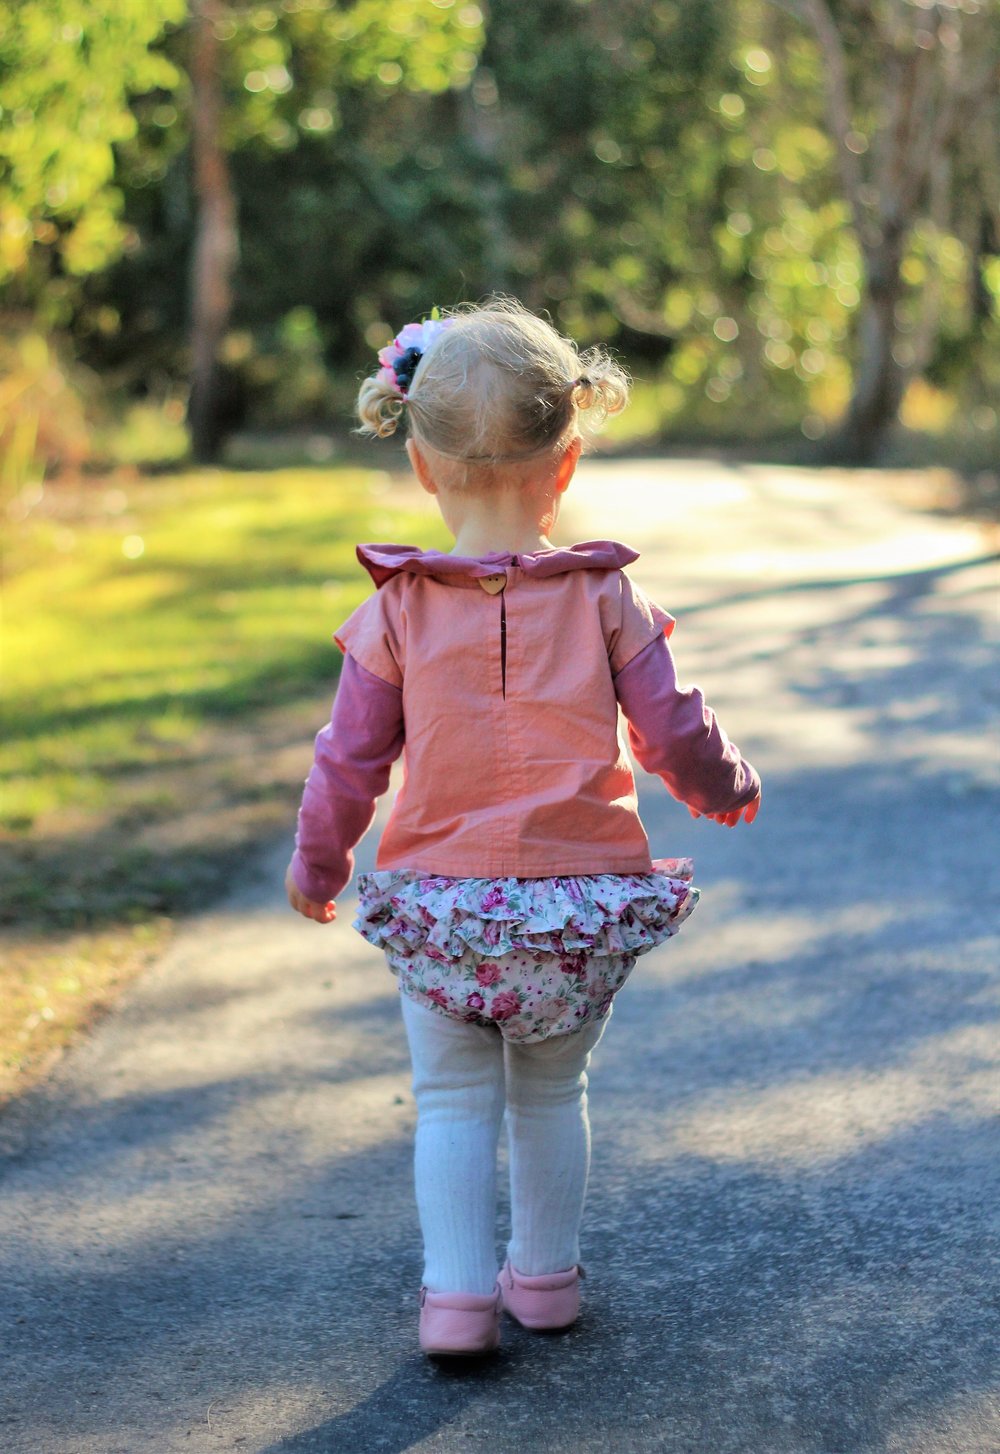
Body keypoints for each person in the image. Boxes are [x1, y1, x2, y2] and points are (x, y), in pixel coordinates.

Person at [285, 299, 760, 1357]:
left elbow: (348, 760)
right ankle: (543, 1280)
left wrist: (320, 862)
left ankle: (455, 1299)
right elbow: (672, 724)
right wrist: (719, 782)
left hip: (443, 906)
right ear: (566, 462)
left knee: (451, 1098)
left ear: (423, 467)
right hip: (572, 909)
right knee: (553, 1089)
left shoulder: (395, 610)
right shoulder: (607, 596)